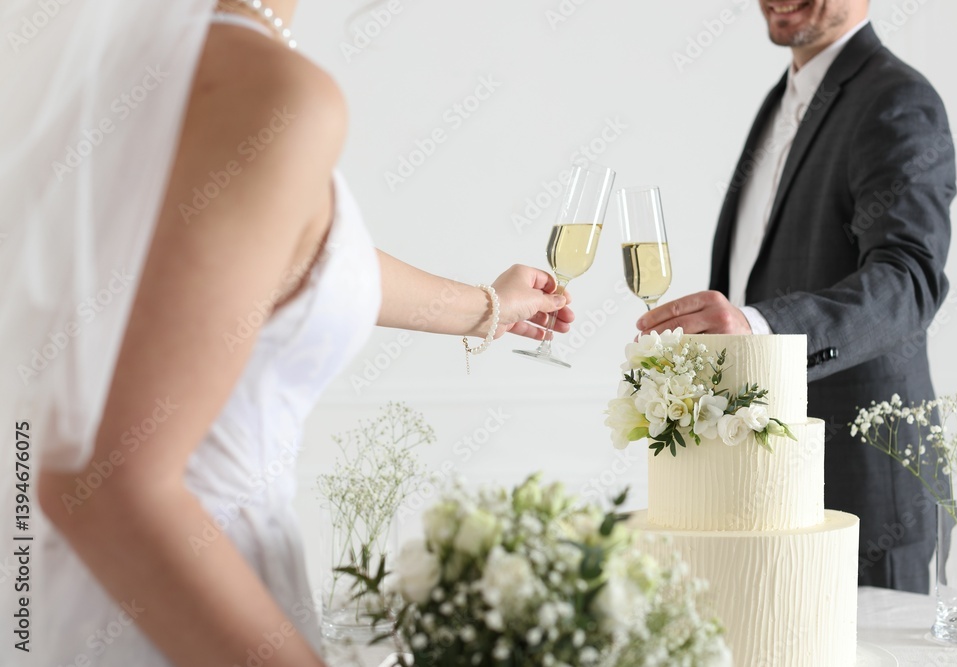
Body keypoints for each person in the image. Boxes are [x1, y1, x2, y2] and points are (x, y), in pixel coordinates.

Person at [0, 1, 573, 665]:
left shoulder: (127, 70)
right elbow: (104, 486)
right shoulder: (279, 94)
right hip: (180, 616)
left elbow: (278, 261)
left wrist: (485, 307)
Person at [640, 0, 955, 593]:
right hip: (771, 489)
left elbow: (909, 279)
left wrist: (760, 330)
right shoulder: (781, 100)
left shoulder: (896, 97)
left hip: (863, 498)